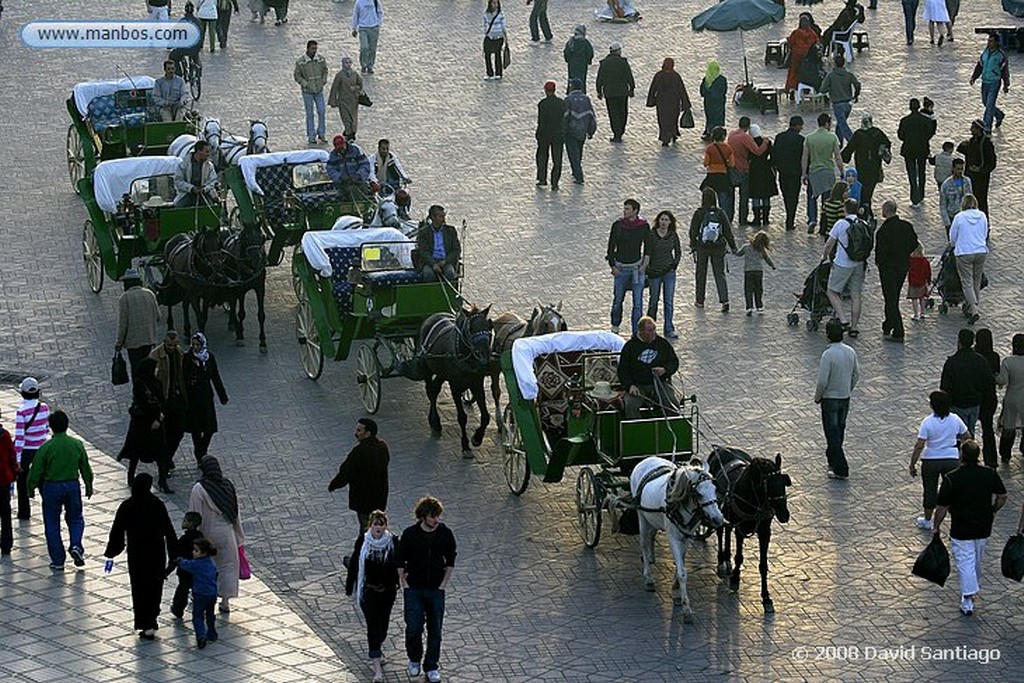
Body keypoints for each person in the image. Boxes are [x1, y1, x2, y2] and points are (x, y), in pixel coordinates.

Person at [932, 440, 1007, 616]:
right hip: (983, 526)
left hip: (961, 528)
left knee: (965, 562)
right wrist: (993, 510)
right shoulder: (989, 474)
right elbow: (1003, 495)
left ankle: (968, 597)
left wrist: (936, 526)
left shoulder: (951, 478)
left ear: (961, 455)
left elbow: (942, 507)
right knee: (976, 561)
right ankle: (970, 593)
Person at [103, 474, 178, 640]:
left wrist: (111, 553)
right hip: (156, 552)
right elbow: (168, 530)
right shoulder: (157, 505)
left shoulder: (127, 506)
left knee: (139, 586)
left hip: (137, 553)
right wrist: (174, 554)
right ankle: (152, 619)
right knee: (155, 585)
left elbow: (117, 531)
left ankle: (143, 622)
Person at [396, 496, 457, 683]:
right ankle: (414, 658)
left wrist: (442, 585)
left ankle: (431, 666)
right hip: (414, 588)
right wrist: (404, 583)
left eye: (438, 516)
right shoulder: (410, 534)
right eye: (432, 517)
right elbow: (399, 559)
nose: (436, 520)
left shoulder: (445, 534)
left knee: (435, 630)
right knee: (413, 627)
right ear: (423, 517)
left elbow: (451, 560)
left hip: (435, 590)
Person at [26, 410, 93, 570]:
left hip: (52, 487)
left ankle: (57, 560)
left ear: (50, 427)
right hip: (72, 485)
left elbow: (36, 471)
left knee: (52, 523)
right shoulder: (76, 444)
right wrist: (88, 485)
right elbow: (85, 467)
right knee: (76, 518)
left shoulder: (46, 447)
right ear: (67, 425)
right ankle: (76, 545)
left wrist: (31, 488)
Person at [345, 510, 400, 683]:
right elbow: (354, 564)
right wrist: (349, 586)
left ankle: (377, 647)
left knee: (383, 626)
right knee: (372, 626)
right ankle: (376, 666)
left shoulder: (392, 542)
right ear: (370, 525)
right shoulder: (363, 541)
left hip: (387, 592)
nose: (378, 527)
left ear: (385, 525)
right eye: (375, 524)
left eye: (381, 523)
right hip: (368, 591)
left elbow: (400, 563)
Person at [188, 456, 244, 613]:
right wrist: (239, 536)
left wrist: (193, 537)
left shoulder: (199, 489)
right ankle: (225, 602)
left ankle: (204, 598)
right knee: (227, 566)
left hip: (207, 533)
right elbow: (235, 512)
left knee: (206, 567)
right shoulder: (227, 486)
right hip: (227, 534)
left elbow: (195, 514)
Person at [910, 391, 968, 530]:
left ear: (932, 405)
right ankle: (956, 518)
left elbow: (919, 445)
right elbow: (967, 436)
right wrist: (961, 454)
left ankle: (928, 519)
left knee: (929, 489)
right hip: (951, 458)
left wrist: (912, 464)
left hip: (931, 459)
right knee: (953, 491)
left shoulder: (927, 422)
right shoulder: (955, 419)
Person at [329, 418, 390, 545]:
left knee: (366, 530)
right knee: (374, 527)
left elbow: (345, 473)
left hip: (364, 500)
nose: (356, 433)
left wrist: (333, 485)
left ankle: (359, 559)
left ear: (368, 433)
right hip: (380, 498)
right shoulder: (382, 447)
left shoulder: (359, 452)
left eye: (359, 430)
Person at [814, 319, 860, 480]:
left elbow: (822, 381)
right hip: (844, 397)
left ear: (827, 335)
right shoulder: (850, 351)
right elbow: (856, 374)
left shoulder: (828, 355)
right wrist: (848, 388)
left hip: (830, 398)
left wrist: (818, 396)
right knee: (839, 430)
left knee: (831, 433)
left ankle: (841, 467)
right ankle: (832, 458)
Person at [118, 357, 172, 493]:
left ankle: (163, 481)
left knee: (161, 454)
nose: (157, 370)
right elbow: (143, 403)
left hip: (156, 425)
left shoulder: (157, 383)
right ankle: (131, 477)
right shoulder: (139, 384)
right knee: (136, 453)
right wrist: (156, 416)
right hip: (142, 424)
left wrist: (159, 418)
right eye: (155, 368)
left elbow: (162, 400)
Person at [874, 199, 920, 342]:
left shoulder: (883, 231)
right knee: (892, 297)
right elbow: (914, 244)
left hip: (888, 269)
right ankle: (888, 324)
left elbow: (880, 253)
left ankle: (898, 330)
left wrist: (880, 263)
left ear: (886, 211)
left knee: (891, 299)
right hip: (902, 267)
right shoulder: (906, 226)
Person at [618, 316, 680, 419]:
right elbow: (623, 370)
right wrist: (630, 386)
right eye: (649, 331)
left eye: (654, 329)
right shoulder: (630, 347)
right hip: (638, 385)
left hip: (659, 383)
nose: (653, 333)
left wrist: (665, 370)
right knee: (630, 404)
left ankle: (670, 428)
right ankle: (636, 430)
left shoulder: (662, 344)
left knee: (671, 402)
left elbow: (673, 362)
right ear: (641, 331)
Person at [821, 198, 867, 336]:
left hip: (843, 263)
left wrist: (824, 256)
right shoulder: (863, 223)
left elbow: (829, 244)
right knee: (856, 294)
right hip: (859, 263)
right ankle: (854, 327)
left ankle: (843, 319)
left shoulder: (841, 224)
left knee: (832, 291)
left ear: (844, 209)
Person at [689, 187, 737, 312]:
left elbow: (693, 231)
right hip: (718, 247)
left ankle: (700, 300)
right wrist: (733, 246)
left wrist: (693, 245)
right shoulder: (720, 212)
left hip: (702, 247)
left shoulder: (699, 213)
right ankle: (724, 299)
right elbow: (727, 231)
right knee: (719, 274)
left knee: (701, 274)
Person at [941, 328, 996, 438]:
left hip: (958, 404)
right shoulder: (980, 360)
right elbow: (988, 382)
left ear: (959, 341)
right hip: (975, 403)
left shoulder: (952, 362)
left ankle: (963, 453)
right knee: (970, 432)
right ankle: (970, 451)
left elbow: (945, 386)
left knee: (959, 434)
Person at [606, 199, 650, 335]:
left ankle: (636, 331)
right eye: (624, 208)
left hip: (636, 268)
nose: (624, 211)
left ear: (635, 211)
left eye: (628, 209)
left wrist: (644, 266)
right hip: (621, 268)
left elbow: (648, 247)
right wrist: (613, 266)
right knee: (618, 300)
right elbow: (611, 246)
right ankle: (615, 325)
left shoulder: (643, 226)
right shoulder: (618, 225)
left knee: (638, 303)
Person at [183, 333, 228, 462]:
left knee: (209, 428)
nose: (195, 347)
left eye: (198, 345)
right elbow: (185, 376)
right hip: (193, 398)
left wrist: (222, 396)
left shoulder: (209, 358)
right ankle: (200, 455)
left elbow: (215, 377)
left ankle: (202, 450)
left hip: (206, 397)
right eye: (194, 345)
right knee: (196, 429)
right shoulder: (188, 358)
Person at [150, 330, 188, 470]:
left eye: (174, 345)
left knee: (178, 431)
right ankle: (164, 462)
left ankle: (167, 458)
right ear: (165, 342)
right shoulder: (155, 356)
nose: (172, 348)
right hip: (164, 401)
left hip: (177, 399)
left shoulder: (180, 354)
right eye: (169, 345)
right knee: (165, 434)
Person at [948, 195, 989, 325]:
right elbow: (985, 232)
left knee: (967, 282)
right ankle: (973, 305)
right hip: (980, 251)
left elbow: (953, 236)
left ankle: (974, 308)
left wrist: (953, 245)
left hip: (964, 252)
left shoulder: (959, 217)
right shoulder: (982, 215)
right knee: (976, 280)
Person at [14, 377, 50, 521]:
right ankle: (48, 509)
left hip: (27, 452)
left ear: (23, 393)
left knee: (22, 482)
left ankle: (24, 512)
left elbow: (20, 437)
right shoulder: (45, 408)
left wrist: (17, 460)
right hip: (41, 451)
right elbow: (46, 429)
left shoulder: (21, 411)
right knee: (42, 481)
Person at [802, 113, 844, 234]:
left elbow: (805, 157)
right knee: (827, 199)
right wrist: (842, 171)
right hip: (828, 171)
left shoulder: (809, 138)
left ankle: (812, 219)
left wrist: (804, 173)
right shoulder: (832, 137)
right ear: (827, 123)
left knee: (812, 197)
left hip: (814, 171)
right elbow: (837, 156)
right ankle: (824, 224)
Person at [115, 268, 159, 379]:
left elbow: (123, 323)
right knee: (148, 369)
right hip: (149, 339)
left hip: (133, 342)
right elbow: (158, 316)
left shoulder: (124, 298)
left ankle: (138, 393)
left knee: (136, 369)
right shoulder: (149, 294)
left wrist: (119, 342)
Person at [840, 114, 888, 211]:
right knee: (870, 188)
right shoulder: (877, 133)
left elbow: (850, 148)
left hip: (862, 167)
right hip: (875, 166)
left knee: (863, 187)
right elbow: (886, 143)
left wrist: (843, 157)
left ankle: (865, 206)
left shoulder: (858, 134)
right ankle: (866, 205)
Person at [177, 538, 220, 648]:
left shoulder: (196, 564)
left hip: (200, 594)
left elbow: (186, 564)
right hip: (212, 593)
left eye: (196, 550)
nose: (193, 552)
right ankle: (212, 633)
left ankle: (201, 636)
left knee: (198, 616)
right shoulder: (211, 562)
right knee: (210, 614)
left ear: (203, 553)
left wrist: (179, 560)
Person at [645, 211, 681, 338]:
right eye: (662, 219)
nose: (664, 222)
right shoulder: (652, 235)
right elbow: (647, 252)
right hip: (654, 272)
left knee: (669, 301)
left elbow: (678, 251)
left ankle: (669, 328)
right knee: (653, 300)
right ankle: (649, 328)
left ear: (670, 222)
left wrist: (674, 265)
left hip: (669, 272)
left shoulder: (672, 235)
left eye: (666, 220)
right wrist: (646, 268)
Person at [727, 117, 770, 225]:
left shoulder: (731, 135)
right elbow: (758, 151)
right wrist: (765, 142)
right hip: (743, 169)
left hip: (732, 169)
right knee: (744, 196)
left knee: (731, 196)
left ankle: (729, 216)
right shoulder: (745, 138)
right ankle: (742, 219)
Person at [898, 99, 937, 208]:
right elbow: (930, 134)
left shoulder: (905, 120)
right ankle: (921, 195)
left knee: (912, 174)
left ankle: (915, 198)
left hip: (909, 150)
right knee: (921, 172)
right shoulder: (926, 120)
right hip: (922, 149)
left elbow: (901, 136)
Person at [970, 34, 1010, 135]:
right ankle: (999, 115)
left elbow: (1005, 71)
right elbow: (980, 65)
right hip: (985, 81)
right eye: (988, 41)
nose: (989, 43)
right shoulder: (985, 53)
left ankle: (986, 126)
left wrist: (1006, 84)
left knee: (990, 104)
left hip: (994, 82)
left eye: (991, 41)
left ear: (996, 42)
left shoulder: (1001, 55)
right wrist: (974, 77)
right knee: (985, 102)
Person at [595, 43, 635, 143]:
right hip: (622, 92)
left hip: (610, 93)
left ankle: (616, 133)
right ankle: (620, 131)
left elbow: (600, 78)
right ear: (618, 51)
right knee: (623, 112)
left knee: (613, 114)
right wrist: (632, 88)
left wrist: (599, 91)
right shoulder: (623, 62)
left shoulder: (604, 63)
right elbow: (629, 76)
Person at [646, 58, 690, 147]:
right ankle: (673, 133)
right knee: (673, 119)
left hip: (661, 103)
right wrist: (685, 103)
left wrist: (651, 100)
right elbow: (682, 90)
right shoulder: (676, 76)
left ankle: (665, 138)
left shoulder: (659, 75)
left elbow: (653, 88)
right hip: (674, 102)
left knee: (663, 120)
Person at [819, 54, 860, 148]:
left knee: (842, 124)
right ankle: (839, 143)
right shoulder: (849, 75)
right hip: (848, 104)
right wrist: (856, 95)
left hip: (837, 104)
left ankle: (853, 141)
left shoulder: (831, 76)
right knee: (840, 123)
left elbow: (823, 89)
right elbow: (857, 84)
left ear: (834, 64)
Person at [169, 511, 205, 620]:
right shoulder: (200, 536)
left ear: (190, 523)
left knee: (182, 590)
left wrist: (167, 571)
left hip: (185, 570)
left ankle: (178, 609)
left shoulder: (184, 540)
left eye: (185, 520)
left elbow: (176, 556)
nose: (182, 522)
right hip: (197, 570)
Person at [956, 121, 996, 216]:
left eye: (973, 128)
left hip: (981, 178)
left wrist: (980, 170)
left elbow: (992, 163)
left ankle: (983, 220)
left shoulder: (986, 144)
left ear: (979, 130)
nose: (971, 130)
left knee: (981, 200)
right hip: (970, 176)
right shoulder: (972, 142)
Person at [974, 329, 1001, 467]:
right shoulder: (994, 356)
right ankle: (991, 460)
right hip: (990, 398)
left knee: (968, 429)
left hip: (974, 397)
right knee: (988, 429)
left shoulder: (974, 356)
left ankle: (969, 457)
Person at [773, 116, 805, 231]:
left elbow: (774, 154)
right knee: (794, 197)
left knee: (786, 196)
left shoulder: (779, 137)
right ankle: (790, 220)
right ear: (797, 126)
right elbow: (803, 157)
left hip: (783, 172)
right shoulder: (800, 140)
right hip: (795, 173)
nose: (801, 128)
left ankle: (788, 216)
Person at [562, 79, 597, 184]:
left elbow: (565, 117)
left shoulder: (568, 99)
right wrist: (591, 131)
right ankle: (576, 171)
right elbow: (591, 115)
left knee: (573, 154)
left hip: (571, 131)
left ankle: (578, 175)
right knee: (579, 152)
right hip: (582, 131)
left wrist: (563, 131)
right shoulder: (586, 99)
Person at [733, 231, 776, 316]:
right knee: (758, 289)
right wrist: (772, 266)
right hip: (759, 271)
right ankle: (759, 306)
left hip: (748, 271)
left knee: (748, 289)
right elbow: (767, 259)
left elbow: (738, 254)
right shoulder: (761, 250)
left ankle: (749, 307)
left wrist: (732, 251)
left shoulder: (746, 247)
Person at [295, 40, 329, 145]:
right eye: (312, 48)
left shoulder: (320, 60)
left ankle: (321, 133)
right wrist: (305, 84)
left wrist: (323, 80)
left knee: (322, 111)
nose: (314, 51)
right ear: (308, 48)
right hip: (307, 92)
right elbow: (297, 76)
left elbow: (325, 70)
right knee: (310, 114)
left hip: (319, 90)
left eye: (316, 48)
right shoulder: (301, 62)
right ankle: (311, 135)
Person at [997, 334, 1024, 462]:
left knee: (1009, 427)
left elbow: (1003, 381)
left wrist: (995, 377)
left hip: (1012, 398)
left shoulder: (1008, 362)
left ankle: (1005, 453)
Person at [415, 205, 460, 282]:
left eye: (443, 216)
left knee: (450, 273)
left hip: (445, 261)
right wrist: (433, 264)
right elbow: (423, 251)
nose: (443, 219)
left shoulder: (450, 231)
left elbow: (456, 249)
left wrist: (445, 261)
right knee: (428, 274)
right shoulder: (424, 232)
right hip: (430, 262)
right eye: (440, 217)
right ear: (433, 217)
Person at [326, 135, 377, 203]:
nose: (341, 151)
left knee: (357, 194)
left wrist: (359, 175)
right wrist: (339, 177)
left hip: (358, 183)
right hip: (342, 185)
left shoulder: (356, 150)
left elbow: (365, 164)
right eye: (339, 149)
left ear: (345, 143)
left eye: (342, 148)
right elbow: (330, 169)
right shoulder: (333, 155)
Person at [701, 126, 736, 221]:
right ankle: (724, 219)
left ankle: (710, 217)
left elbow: (706, 163)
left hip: (711, 176)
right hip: (723, 176)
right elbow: (732, 164)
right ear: (723, 136)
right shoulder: (728, 148)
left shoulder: (710, 148)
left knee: (709, 198)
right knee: (723, 200)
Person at [535, 81, 565, 190]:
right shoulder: (561, 103)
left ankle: (542, 179)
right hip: (558, 134)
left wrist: (538, 134)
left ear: (545, 90)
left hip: (545, 135)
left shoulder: (543, 104)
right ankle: (555, 182)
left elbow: (541, 121)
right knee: (557, 159)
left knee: (542, 157)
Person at [746, 124, 776, 227]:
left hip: (754, 170)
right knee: (765, 195)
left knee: (756, 195)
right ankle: (766, 218)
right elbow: (772, 156)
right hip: (765, 170)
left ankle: (757, 218)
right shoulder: (767, 142)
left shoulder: (750, 143)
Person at [173, 140, 218, 208]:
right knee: (178, 210)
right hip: (187, 194)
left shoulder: (210, 166)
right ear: (199, 151)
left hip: (204, 194)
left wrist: (204, 189)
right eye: (206, 152)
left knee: (212, 210)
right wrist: (192, 188)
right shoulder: (183, 164)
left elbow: (213, 181)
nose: (208, 154)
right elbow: (178, 181)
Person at [328, 57, 363, 142]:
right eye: (346, 62)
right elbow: (335, 88)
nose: (348, 64)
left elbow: (360, 84)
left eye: (349, 62)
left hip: (353, 101)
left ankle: (352, 132)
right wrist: (333, 101)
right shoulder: (340, 75)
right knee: (346, 118)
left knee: (353, 118)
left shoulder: (354, 74)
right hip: (343, 101)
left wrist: (356, 88)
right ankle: (349, 133)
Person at [786, 14, 821, 94]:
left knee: (793, 72)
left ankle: (792, 87)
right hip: (809, 60)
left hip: (796, 59)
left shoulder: (796, 33)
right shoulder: (812, 34)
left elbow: (790, 43)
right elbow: (817, 44)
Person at [0, 410, 18, 555]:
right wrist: (14, 471)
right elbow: (12, 456)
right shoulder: (4, 435)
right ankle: (6, 544)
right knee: (5, 512)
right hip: (3, 479)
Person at [939, 158, 973, 234]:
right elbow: (943, 204)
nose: (960, 171)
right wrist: (947, 223)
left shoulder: (967, 181)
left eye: (962, 169)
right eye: (958, 169)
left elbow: (971, 199)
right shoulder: (946, 184)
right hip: (952, 217)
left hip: (965, 216)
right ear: (953, 169)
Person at [351, 0, 383, 75]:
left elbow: (380, 12)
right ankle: (363, 65)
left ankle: (370, 66)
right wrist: (354, 28)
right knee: (364, 47)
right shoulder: (359, 2)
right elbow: (355, 14)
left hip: (373, 28)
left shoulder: (375, 1)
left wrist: (378, 23)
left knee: (372, 48)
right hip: (363, 28)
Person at [699, 61, 727, 141]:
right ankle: (719, 134)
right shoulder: (722, 79)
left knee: (710, 118)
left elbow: (702, 92)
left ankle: (709, 132)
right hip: (719, 103)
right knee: (719, 118)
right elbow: (724, 91)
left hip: (709, 103)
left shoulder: (706, 79)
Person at [563, 25, 594, 92]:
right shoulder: (585, 42)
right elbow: (590, 53)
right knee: (582, 79)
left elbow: (566, 52)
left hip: (572, 64)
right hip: (582, 65)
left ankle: (571, 92)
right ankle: (581, 92)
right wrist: (588, 61)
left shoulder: (571, 42)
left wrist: (568, 60)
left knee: (571, 79)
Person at [482, 0, 507, 81]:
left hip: (498, 37)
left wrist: (506, 38)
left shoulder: (501, 14)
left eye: (496, 3)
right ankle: (489, 72)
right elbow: (485, 24)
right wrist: (486, 32)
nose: (495, 5)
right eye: (493, 3)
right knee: (487, 55)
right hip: (489, 37)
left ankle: (498, 73)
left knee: (497, 54)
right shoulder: (486, 14)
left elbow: (503, 27)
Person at [907, 246, 932, 320]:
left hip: (913, 282)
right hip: (922, 282)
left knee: (914, 299)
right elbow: (928, 272)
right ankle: (923, 313)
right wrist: (928, 280)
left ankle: (916, 314)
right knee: (922, 298)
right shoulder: (925, 261)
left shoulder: (910, 261)